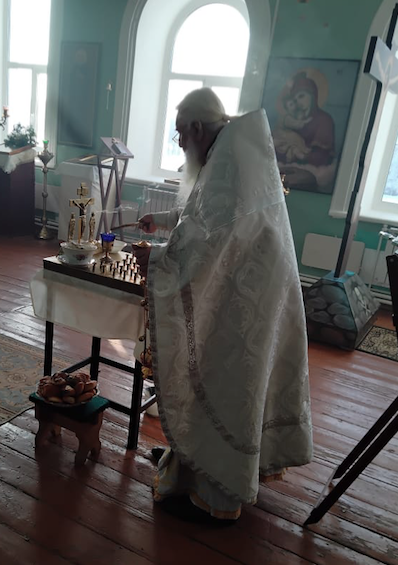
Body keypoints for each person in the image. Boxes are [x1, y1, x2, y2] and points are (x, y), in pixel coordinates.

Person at [133, 88, 313, 524]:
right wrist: (164, 222)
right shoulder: (235, 151)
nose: (179, 143)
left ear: (197, 128)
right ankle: (206, 463)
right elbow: (207, 217)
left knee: (221, 378)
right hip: (257, 290)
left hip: (242, 295)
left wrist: (156, 258)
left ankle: (215, 491)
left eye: (180, 133)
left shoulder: (229, 160)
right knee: (240, 379)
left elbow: (207, 242)